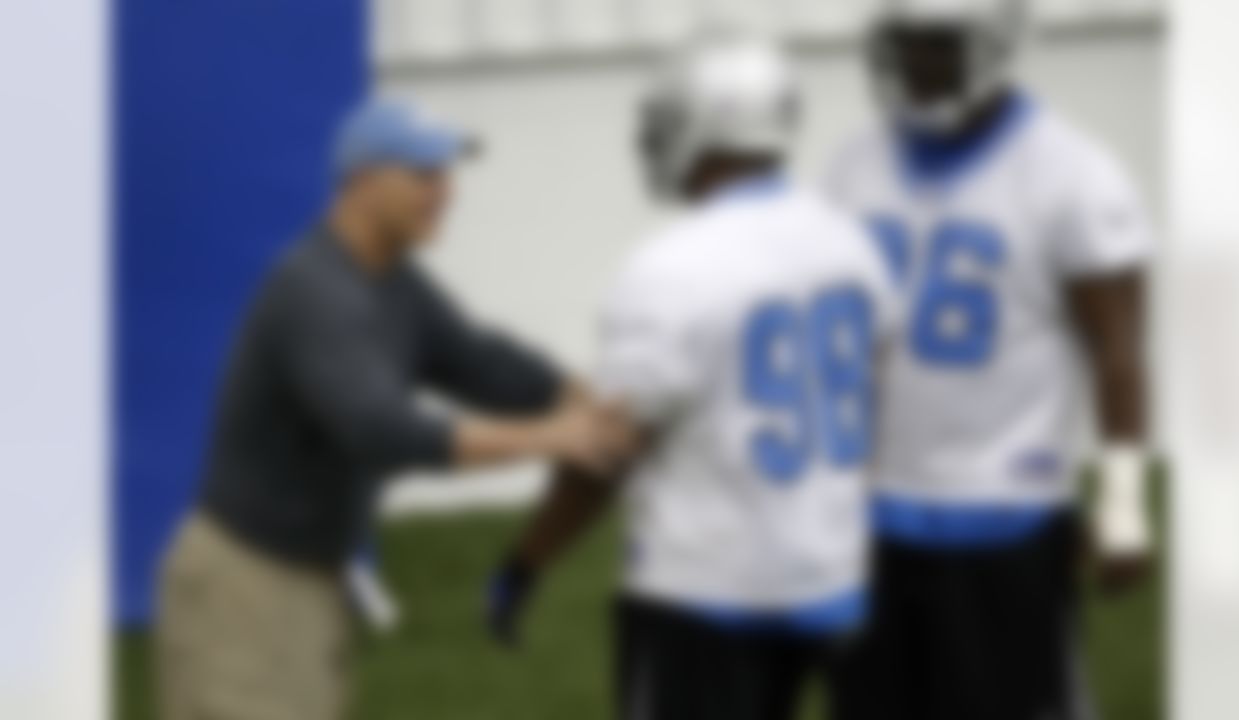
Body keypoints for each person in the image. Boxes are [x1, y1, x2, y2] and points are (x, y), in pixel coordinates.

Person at [155, 98, 627, 720]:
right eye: (425, 175)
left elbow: (481, 361)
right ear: (363, 181)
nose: (446, 191)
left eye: (448, 174)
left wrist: (589, 400)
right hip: (245, 589)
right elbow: (382, 430)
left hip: (312, 582)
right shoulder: (315, 291)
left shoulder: (392, 282)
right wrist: (552, 437)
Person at [485, 35, 899, 720]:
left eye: (668, 116)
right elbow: (879, 388)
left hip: (705, 591)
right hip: (832, 574)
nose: (655, 134)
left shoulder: (670, 268)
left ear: (707, 123)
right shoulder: (849, 240)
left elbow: (607, 452)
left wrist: (525, 562)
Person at [824, 1, 1157, 718]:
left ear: (996, 42)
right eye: (903, 44)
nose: (916, 65)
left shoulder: (1074, 174)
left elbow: (1119, 349)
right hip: (871, 519)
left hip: (1005, 519)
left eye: (938, 45)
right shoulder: (853, 162)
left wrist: (1124, 504)